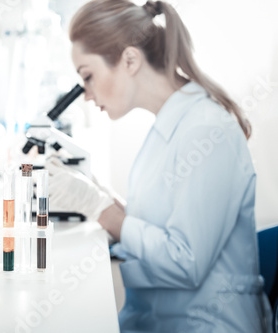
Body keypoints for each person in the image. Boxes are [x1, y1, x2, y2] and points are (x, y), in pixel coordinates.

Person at [46, 0, 273, 332]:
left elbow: (186, 261)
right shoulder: (166, 128)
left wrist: (99, 207)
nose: (87, 95)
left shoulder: (205, 130)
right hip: (155, 319)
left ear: (130, 60)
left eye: (88, 77)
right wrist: (94, 192)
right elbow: (154, 227)